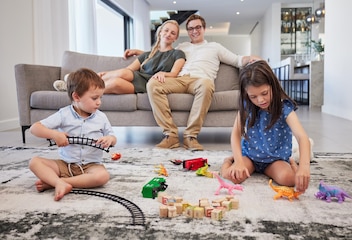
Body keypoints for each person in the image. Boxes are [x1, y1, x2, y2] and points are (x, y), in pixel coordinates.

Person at [125, 14, 259, 151]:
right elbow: (160, 53)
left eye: (198, 27)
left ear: (204, 29)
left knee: (207, 85)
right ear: (188, 31)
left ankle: (190, 136)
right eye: (190, 29)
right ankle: (171, 136)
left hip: (201, 80)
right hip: (179, 79)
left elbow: (237, 60)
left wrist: (255, 59)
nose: (194, 31)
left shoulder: (215, 47)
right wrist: (138, 52)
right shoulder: (182, 47)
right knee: (153, 84)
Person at [220, 60, 311, 193]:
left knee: (290, 180)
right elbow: (235, 134)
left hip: (275, 160)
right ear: (246, 94)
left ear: (272, 85)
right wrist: (239, 162)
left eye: (264, 93)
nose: (260, 100)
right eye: (253, 96)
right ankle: (228, 161)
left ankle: (291, 163)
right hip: (250, 157)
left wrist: (304, 167)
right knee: (232, 176)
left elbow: (302, 137)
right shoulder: (247, 106)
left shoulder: (284, 107)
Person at [29, 68, 117, 201]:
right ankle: (59, 182)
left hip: (91, 166)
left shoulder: (101, 117)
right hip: (65, 164)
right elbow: (34, 128)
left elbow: (113, 138)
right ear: (76, 97)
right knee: (34, 162)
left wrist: (109, 139)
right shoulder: (63, 114)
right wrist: (54, 134)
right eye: (94, 98)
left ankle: (57, 182)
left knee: (102, 177)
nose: (99, 102)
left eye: (100, 97)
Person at [53, 20, 186, 94]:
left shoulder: (178, 54)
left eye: (173, 33)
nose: (168, 34)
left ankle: (75, 85)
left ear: (175, 38)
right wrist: (108, 73)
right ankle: (75, 82)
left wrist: (164, 73)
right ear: (160, 32)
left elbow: (174, 73)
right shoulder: (147, 54)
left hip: (150, 84)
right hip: (137, 77)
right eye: (166, 30)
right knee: (123, 73)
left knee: (115, 83)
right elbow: (128, 70)